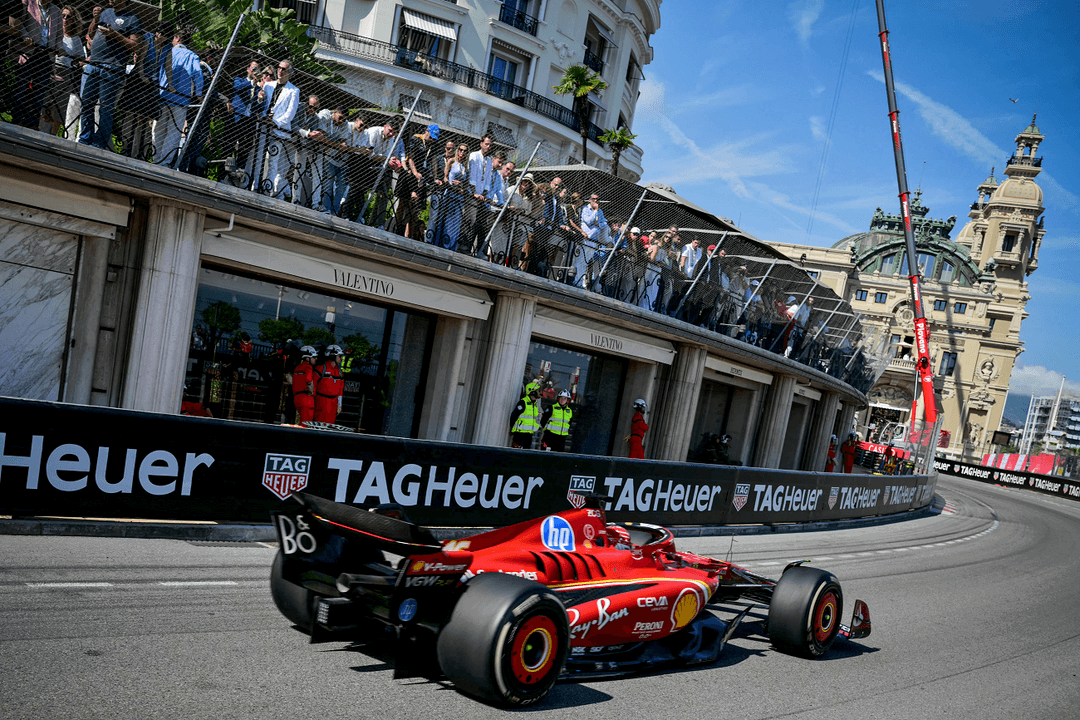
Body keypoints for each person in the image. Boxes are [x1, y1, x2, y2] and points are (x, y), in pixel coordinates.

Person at [78, 0, 142, 150]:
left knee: (105, 108)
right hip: (94, 63)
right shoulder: (105, 12)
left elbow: (136, 47)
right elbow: (90, 34)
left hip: (112, 68)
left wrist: (115, 35)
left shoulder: (132, 19)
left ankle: (99, 143)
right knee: (86, 103)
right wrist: (95, 19)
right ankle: (84, 138)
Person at [152, 26, 202, 167]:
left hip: (163, 95)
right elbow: (197, 75)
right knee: (174, 132)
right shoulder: (192, 56)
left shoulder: (168, 51)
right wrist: (198, 94)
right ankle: (164, 162)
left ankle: (156, 158)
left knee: (159, 129)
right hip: (181, 98)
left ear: (177, 38)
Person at [254, 59, 299, 199]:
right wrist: (260, 99)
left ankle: (267, 189)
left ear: (289, 73)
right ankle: (255, 185)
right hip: (264, 125)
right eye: (279, 68)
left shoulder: (294, 90)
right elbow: (261, 104)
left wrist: (275, 122)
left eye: (284, 69)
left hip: (279, 129)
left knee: (273, 161)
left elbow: (290, 113)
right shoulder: (269, 85)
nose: (280, 71)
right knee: (259, 156)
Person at [398, 123, 439, 240]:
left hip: (422, 177)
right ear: (426, 131)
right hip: (410, 175)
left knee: (416, 208)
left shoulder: (432, 145)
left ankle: (410, 235)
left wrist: (435, 177)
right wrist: (415, 173)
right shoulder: (416, 139)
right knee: (403, 204)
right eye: (431, 137)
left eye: (434, 139)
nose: (432, 140)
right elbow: (410, 158)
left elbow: (433, 163)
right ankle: (398, 229)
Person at [313, 344, 344, 424]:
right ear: (333, 356)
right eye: (339, 356)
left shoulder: (340, 372)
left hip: (333, 404)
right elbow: (312, 385)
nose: (341, 358)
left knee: (330, 425)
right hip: (321, 402)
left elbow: (340, 390)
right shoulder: (321, 368)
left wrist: (339, 405)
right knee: (320, 425)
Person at [509, 384, 541, 449]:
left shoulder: (534, 404)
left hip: (529, 434)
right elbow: (514, 415)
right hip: (520, 434)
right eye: (537, 391)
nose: (539, 393)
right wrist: (512, 429)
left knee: (526, 452)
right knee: (517, 452)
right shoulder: (523, 402)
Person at [291, 344, 316, 424]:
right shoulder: (308, 367)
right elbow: (308, 379)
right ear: (308, 358)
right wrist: (311, 390)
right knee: (306, 423)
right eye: (313, 357)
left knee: (298, 422)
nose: (315, 359)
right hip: (306, 399)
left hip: (297, 398)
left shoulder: (297, 367)